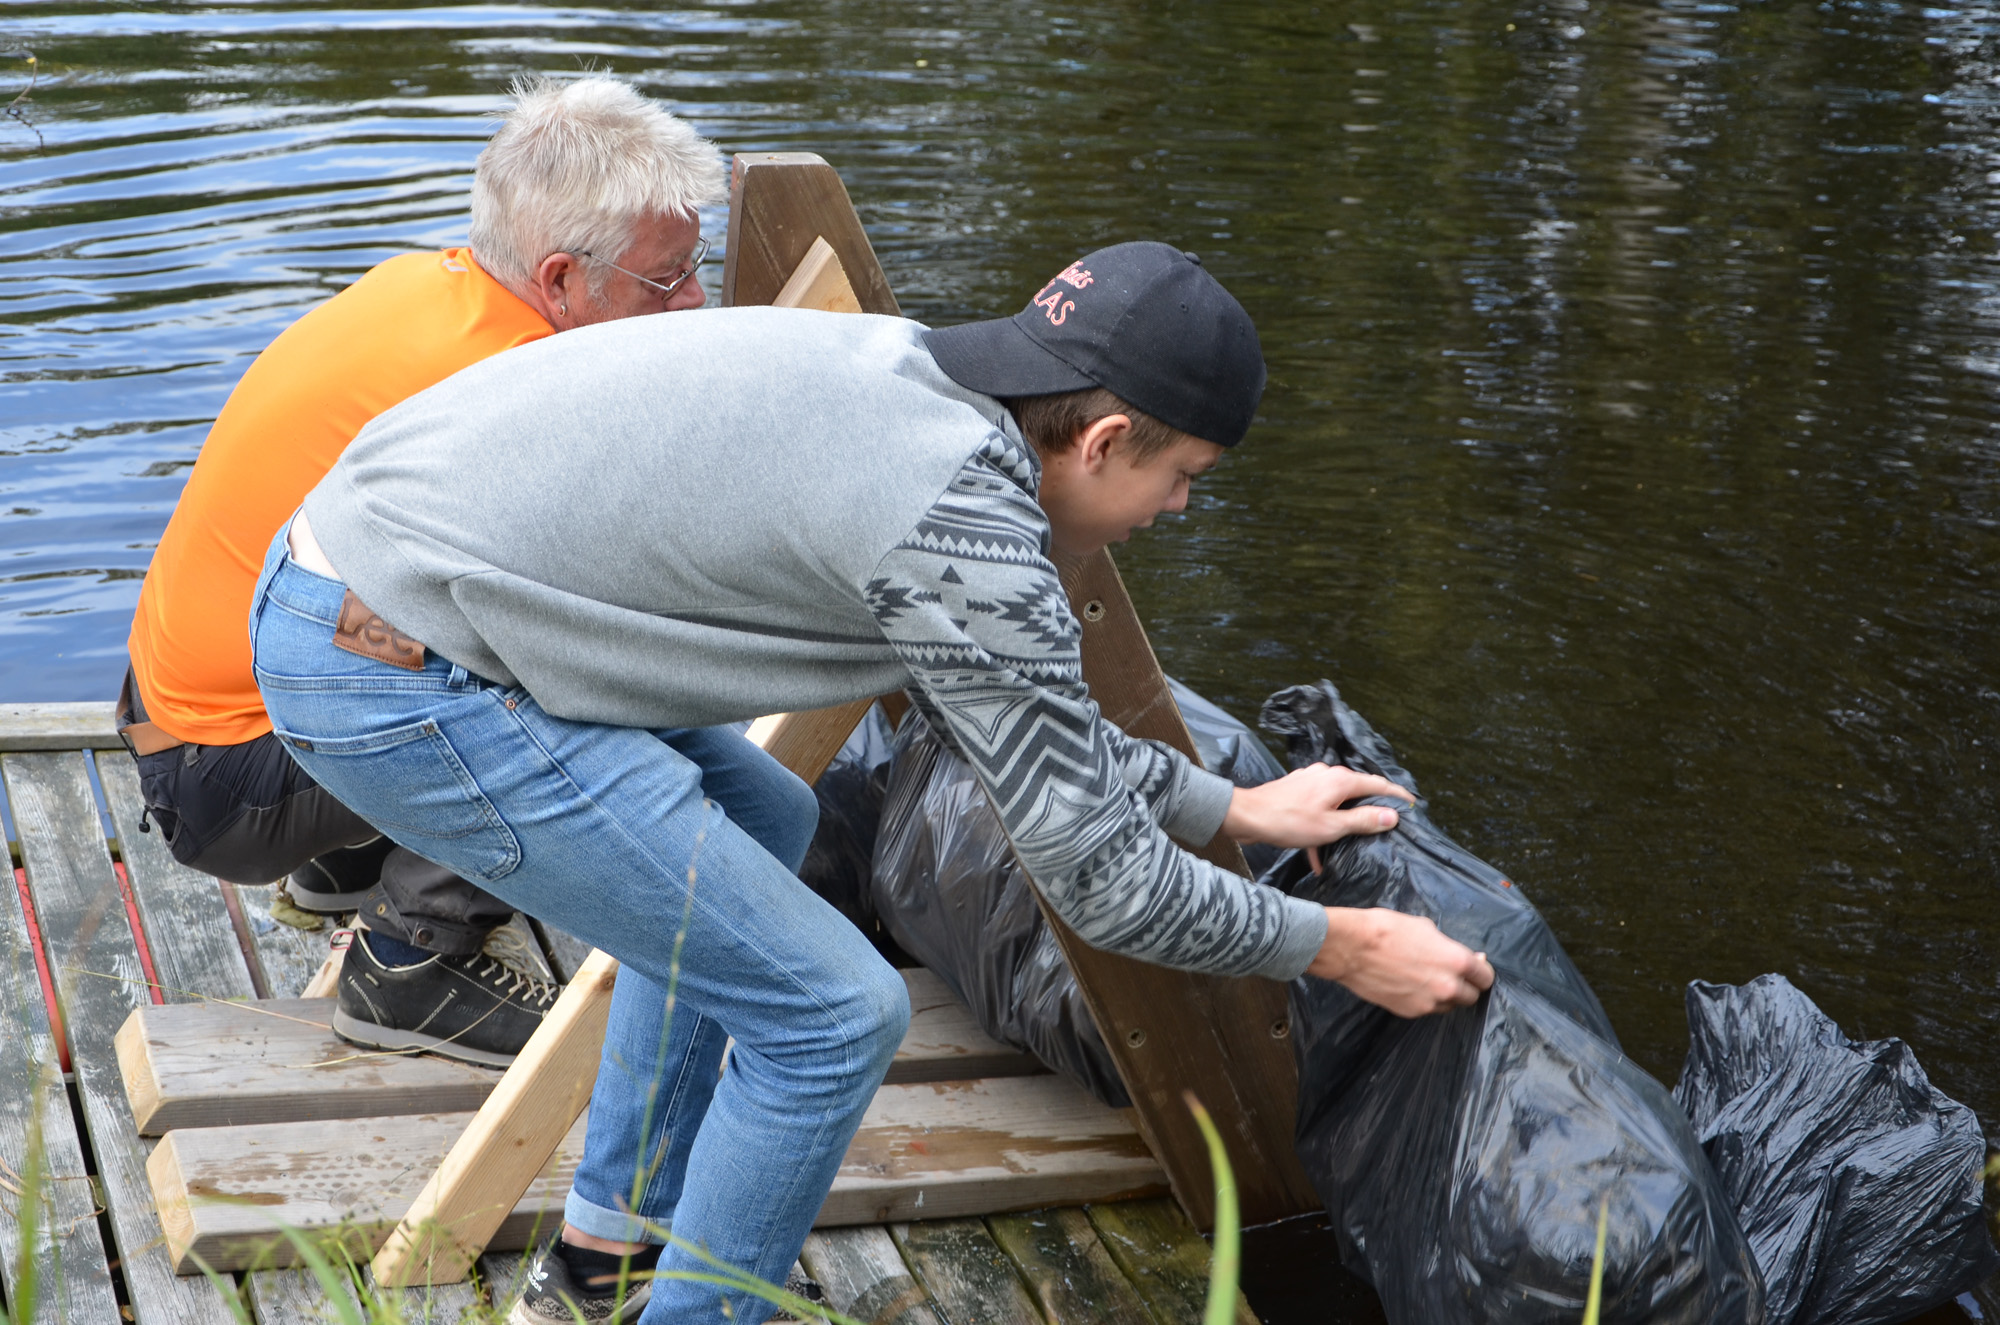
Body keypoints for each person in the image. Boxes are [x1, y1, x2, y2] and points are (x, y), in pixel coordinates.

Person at [248, 241, 1496, 1325]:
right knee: (833, 1011)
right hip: (393, 667)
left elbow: (1034, 733)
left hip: (376, 585)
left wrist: (1226, 806)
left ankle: (599, 1261)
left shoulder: (923, 378)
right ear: (1106, 436)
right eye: (1181, 480)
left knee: (767, 816)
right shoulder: (965, 532)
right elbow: (1105, 886)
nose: (1173, 508)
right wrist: (1331, 943)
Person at [117, 75, 725, 1066]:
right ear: (562, 278)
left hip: (182, 711)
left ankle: (343, 859)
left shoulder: (428, 286)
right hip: (226, 776)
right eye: (670, 282)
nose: (695, 305)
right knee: (584, 668)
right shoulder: (513, 397)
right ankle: (413, 962)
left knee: (476, 620)